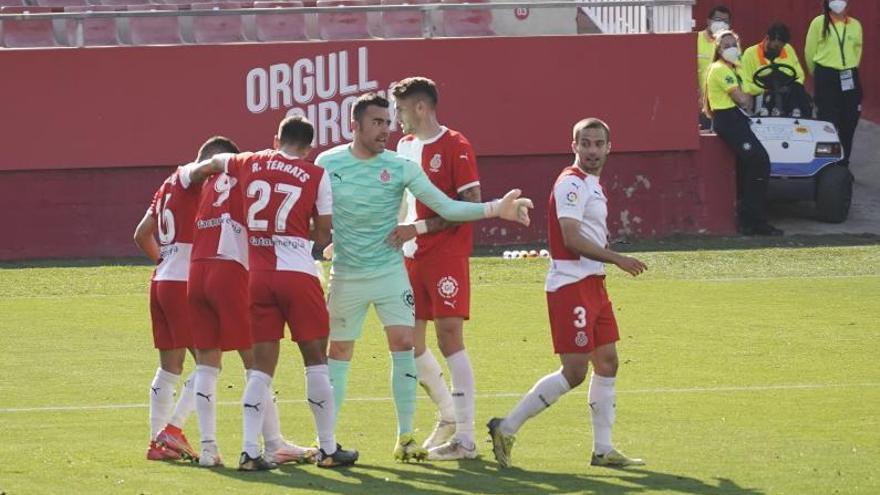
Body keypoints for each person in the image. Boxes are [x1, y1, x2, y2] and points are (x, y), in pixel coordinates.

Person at [315, 92, 533, 462]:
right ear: (355, 125)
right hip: (347, 276)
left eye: (387, 121)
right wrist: (330, 240)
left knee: (403, 346)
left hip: (389, 272)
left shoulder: (400, 166)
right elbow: (315, 213)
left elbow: (447, 206)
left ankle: (406, 437)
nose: (386, 129)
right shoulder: (327, 162)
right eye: (377, 122)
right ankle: (327, 443)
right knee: (337, 353)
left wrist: (497, 209)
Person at [183, 117, 358, 470]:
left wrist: (188, 174)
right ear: (310, 148)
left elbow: (216, 163)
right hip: (297, 273)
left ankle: (249, 451)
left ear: (276, 139)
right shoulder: (315, 174)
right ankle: (326, 449)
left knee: (260, 368)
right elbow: (323, 235)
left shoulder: (249, 160)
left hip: (258, 277)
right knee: (315, 360)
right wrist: (298, 227)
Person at [487, 118, 647, 469]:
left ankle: (603, 449)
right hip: (570, 286)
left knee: (607, 362)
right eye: (585, 143)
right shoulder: (570, 185)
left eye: (598, 144)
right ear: (573, 146)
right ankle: (506, 427)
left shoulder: (593, 184)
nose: (591, 150)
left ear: (609, 147)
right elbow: (571, 238)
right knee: (574, 371)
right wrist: (617, 258)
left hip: (594, 284)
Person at [165, 136, 314, 467]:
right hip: (229, 272)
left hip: (197, 271)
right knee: (257, 362)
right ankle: (272, 444)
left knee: (206, 363)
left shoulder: (202, 184)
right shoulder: (248, 176)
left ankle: (208, 450)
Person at [392, 77, 481, 460]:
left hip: (445, 254)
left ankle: (467, 437)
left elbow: (471, 205)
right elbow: (400, 204)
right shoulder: (404, 146)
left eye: (400, 109)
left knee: (449, 337)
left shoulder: (455, 145)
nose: (396, 118)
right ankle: (447, 414)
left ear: (420, 108)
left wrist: (421, 227)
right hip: (411, 256)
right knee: (409, 342)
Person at [133, 156, 202, 462]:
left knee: (170, 367)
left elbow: (141, 234)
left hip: (161, 280)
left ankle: (156, 443)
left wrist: (166, 262)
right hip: (184, 282)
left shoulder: (166, 187)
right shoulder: (194, 183)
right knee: (209, 363)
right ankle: (173, 431)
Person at [704, 31, 783, 236]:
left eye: (733, 44)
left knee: (748, 165)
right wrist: (747, 97)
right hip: (729, 119)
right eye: (726, 45)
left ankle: (749, 217)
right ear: (718, 50)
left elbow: (750, 92)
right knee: (759, 160)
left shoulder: (735, 69)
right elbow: (743, 99)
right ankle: (754, 219)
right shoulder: (721, 70)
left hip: (735, 119)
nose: (731, 48)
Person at [805, 0, 864, 166]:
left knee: (850, 118)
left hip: (848, 75)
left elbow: (857, 50)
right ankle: (827, 163)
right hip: (826, 74)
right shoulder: (818, 22)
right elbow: (809, 51)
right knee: (828, 121)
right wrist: (817, 74)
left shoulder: (855, 25)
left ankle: (844, 162)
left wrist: (849, 67)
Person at [741, 22, 811, 116]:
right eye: (776, 47)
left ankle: (800, 115)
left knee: (798, 88)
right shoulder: (750, 54)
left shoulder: (788, 49)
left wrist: (788, 86)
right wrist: (765, 89)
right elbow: (746, 84)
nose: (778, 50)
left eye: (781, 47)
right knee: (770, 94)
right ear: (767, 39)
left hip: (787, 93)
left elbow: (800, 76)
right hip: (762, 95)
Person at [698, 5, 731, 129]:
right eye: (718, 20)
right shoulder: (695, 39)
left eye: (725, 21)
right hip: (701, 104)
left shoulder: (731, 43)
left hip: (724, 105)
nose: (721, 24)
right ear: (708, 21)